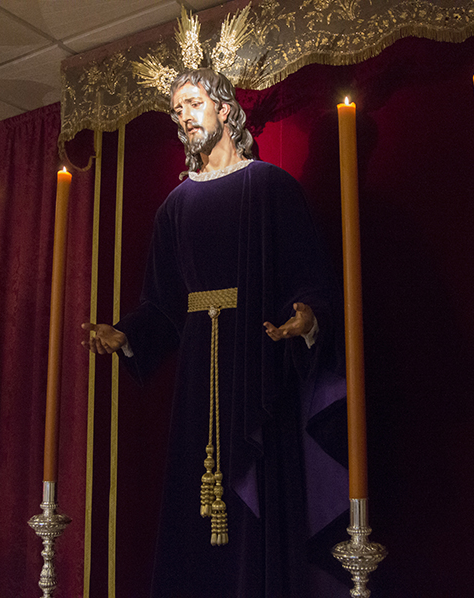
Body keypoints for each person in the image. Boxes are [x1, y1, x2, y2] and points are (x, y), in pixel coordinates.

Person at [82, 68, 348, 597]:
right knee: (195, 501)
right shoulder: (173, 208)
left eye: (193, 102)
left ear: (224, 109)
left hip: (259, 362)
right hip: (198, 377)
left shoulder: (271, 187)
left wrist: (309, 318)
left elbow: (311, 278)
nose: (184, 116)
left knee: (260, 490)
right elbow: (161, 306)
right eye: (176, 109)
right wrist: (126, 335)